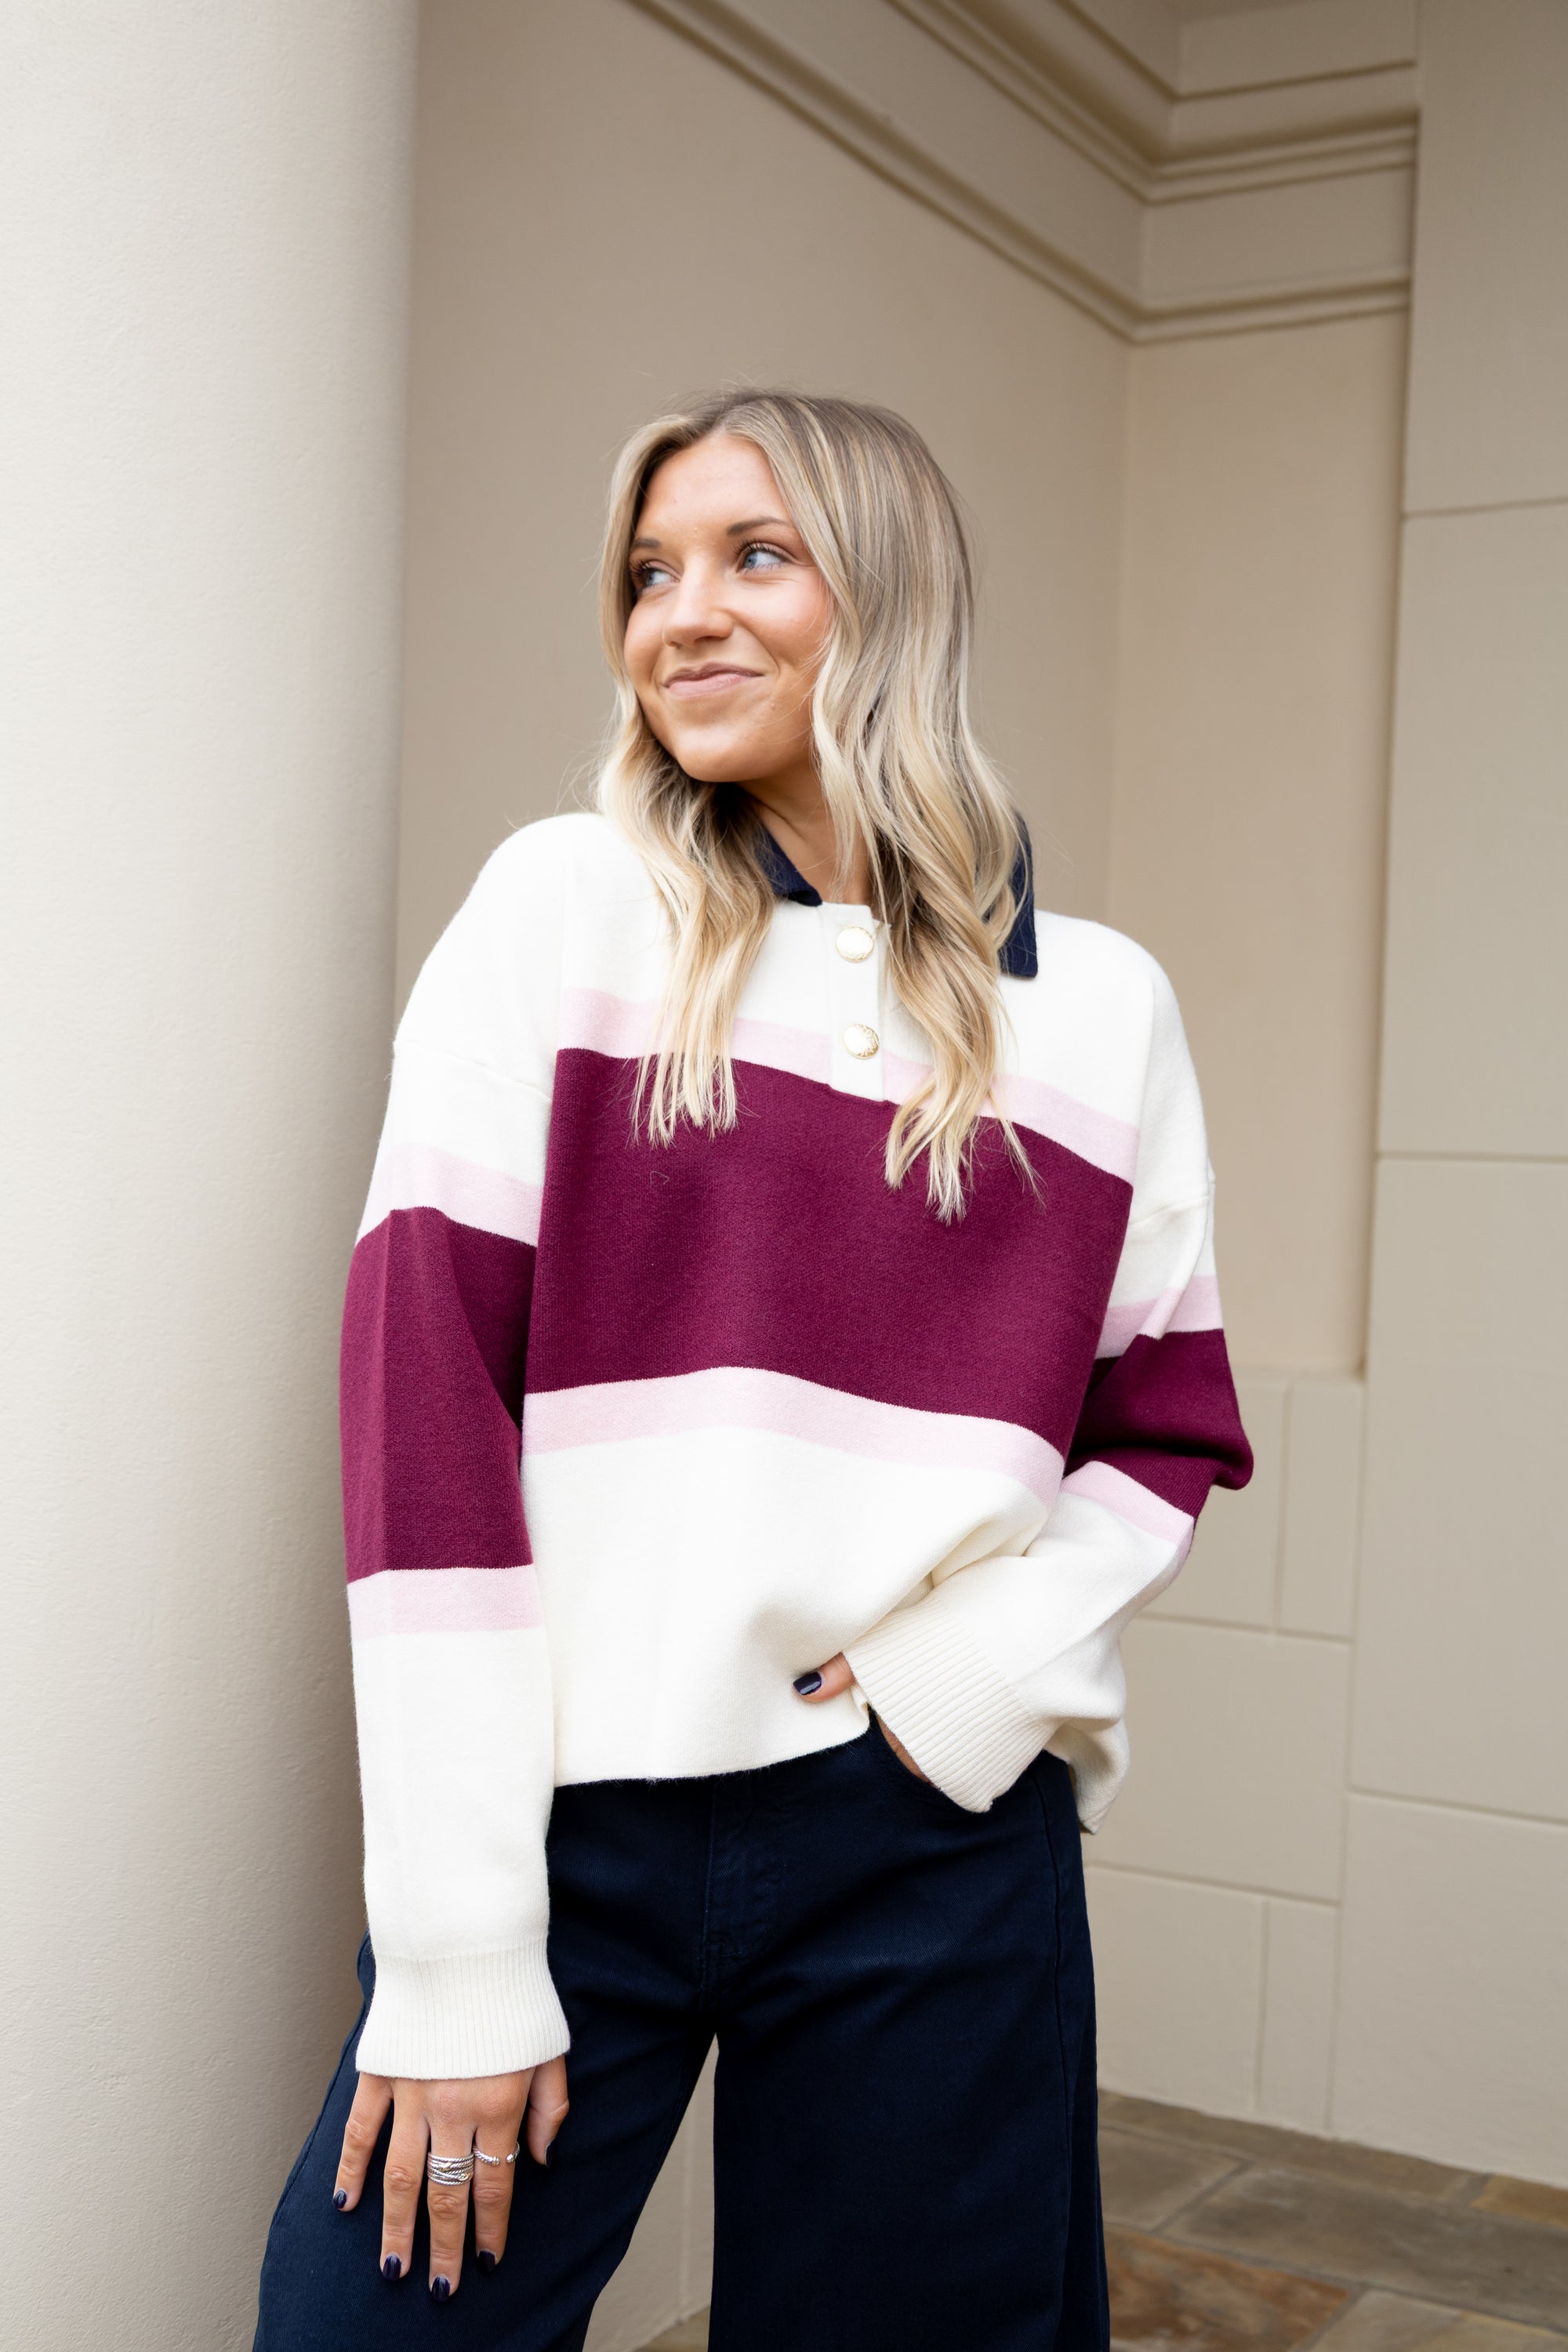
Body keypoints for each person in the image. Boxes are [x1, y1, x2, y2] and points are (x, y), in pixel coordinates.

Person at [254, 390, 1251, 2351]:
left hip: (925, 1837)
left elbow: (1162, 1426)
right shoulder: (559, 910)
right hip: (574, 1825)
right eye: (649, 572)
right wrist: (456, 1946)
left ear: (887, 595)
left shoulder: (1100, 1008)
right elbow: (422, 1407)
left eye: (753, 557)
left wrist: (966, 1681)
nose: (681, 614)